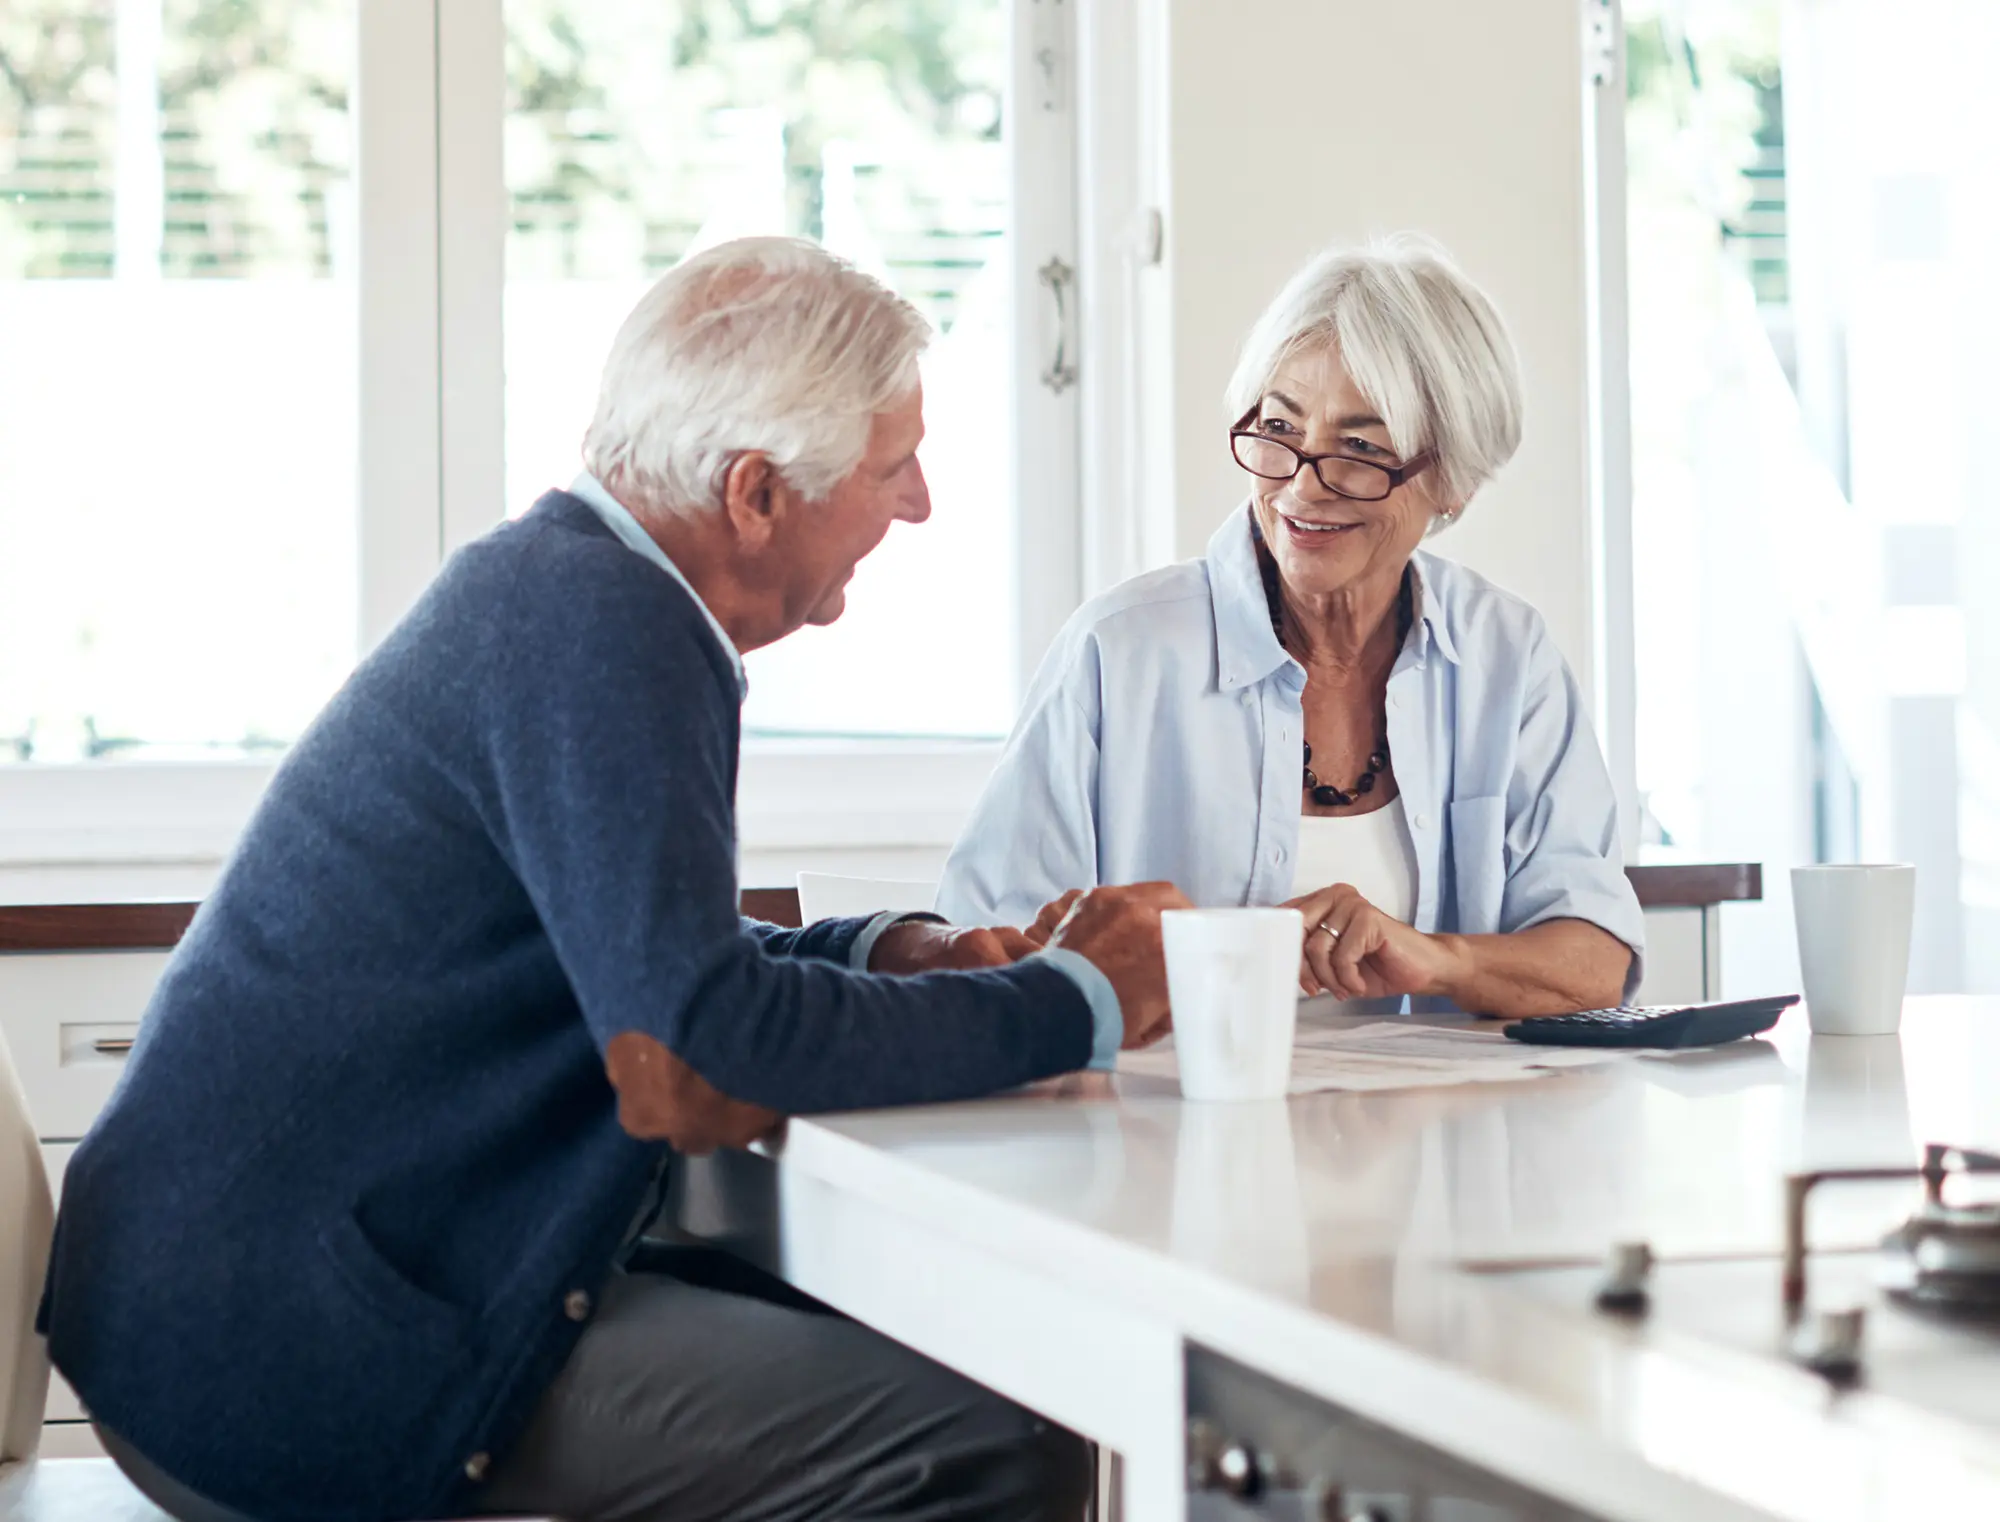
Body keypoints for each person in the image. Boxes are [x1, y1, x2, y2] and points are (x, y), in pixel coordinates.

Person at [39, 236, 1187, 1522]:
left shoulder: (570, 592)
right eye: (890, 465)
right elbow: (701, 1040)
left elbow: (647, 968)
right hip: (287, 1352)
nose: (916, 502)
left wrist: (888, 949)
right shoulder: (604, 629)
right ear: (754, 492)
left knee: (940, 1353)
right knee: (985, 1447)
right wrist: (1081, 997)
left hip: (278, 1293)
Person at [939, 236, 1642, 1016]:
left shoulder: (1508, 657)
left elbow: (1593, 961)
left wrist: (1436, 958)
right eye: (1279, 430)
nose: (1303, 488)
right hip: (1163, 1127)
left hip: (1443, 1129)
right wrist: (1215, 959)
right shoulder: (1120, 652)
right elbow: (986, 949)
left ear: (1453, 481)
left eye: (1360, 449)